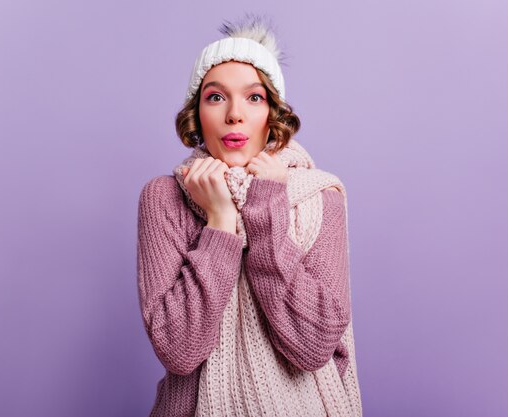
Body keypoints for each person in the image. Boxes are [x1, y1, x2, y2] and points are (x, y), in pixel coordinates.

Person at [137, 14, 363, 417]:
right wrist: (220, 221)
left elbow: (312, 346)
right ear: (196, 114)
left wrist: (266, 211)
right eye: (216, 96)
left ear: (273, 115)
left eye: (254, 97)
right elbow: (179, 350)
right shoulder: (164, 197)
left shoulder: (320, 195)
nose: (234, 115)